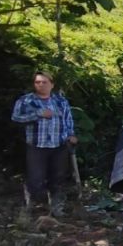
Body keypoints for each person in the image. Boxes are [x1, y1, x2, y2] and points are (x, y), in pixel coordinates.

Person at [11, 71, 78, 218]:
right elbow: (16, 118)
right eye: (37, 82)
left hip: (58, 145)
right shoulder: (26, 101)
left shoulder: (60, 101)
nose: (41, 85)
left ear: (52, 84)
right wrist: (38, 115)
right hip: (37, 145)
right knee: (36, 178)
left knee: (58, 178)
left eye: (44, 82)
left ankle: (57, 208)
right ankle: (32, 206)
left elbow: (67, 121)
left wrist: (71, 135)